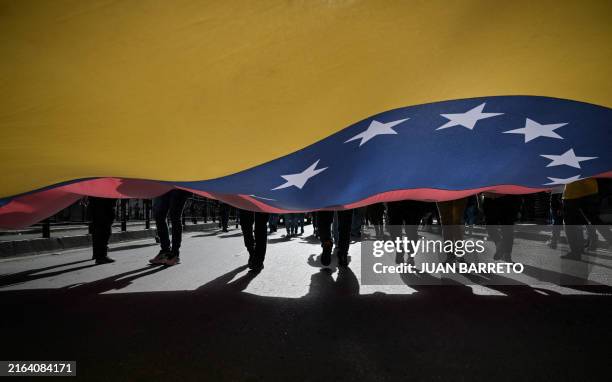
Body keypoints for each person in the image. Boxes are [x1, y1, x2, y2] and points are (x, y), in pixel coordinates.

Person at [562, 178, 612, 259]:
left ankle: (576, 252)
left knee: (570, 224)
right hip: (591, 190)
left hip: (573, 192)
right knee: (595, 221)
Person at [149, 189, 191, 266]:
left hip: (179, 184)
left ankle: (175, 254)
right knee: (159, 215)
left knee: (175, 216)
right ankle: (165, 252)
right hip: (164, 184)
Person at [482, 193, 521, 262]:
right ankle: (506, 253)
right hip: (506, 197)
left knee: (491, 225)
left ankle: (500, 245)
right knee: (507, 228)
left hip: (493, 197)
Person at [88, 196, 117, 264]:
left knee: (97, 233)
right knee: (104, 234)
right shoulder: (106, 189)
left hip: (95, 211)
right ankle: (101, 257)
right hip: (104, 212)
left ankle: (97, 254)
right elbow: (111, 200)